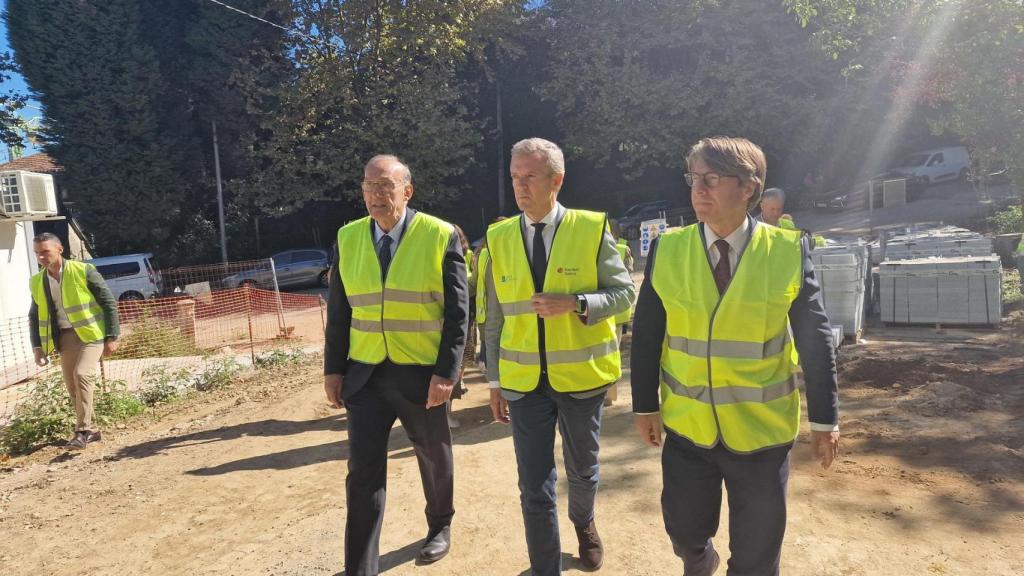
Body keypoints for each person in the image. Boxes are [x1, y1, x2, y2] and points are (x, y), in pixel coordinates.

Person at [631, 136, 840, 576]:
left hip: (761, 434)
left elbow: (814, 336)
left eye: (711, 179)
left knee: (757, 558)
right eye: (693, 179)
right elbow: (648, 333)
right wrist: (645, 405)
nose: (698, 189)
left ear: (749, 187)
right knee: (684, 532)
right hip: (689, 429)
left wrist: (825, 419)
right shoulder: (667, 250)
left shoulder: (786, 250)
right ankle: (698, 557)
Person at [484, 138, 635, 575]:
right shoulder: (498, 237)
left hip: (581, 378)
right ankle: (544, 565)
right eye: (515, 176)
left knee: (583, 471)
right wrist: (494, 381)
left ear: (557, 179)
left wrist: (576, 303)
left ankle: (584, 522)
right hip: (523, 382)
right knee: (533, 484)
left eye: (529, 176)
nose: (520, 186)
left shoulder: (590, 228)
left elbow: (625, 294)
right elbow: (494, 318)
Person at [323, 154, 469, 575]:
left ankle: (440, 524)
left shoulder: (439, 235)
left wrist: (448, 373)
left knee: (433, 455)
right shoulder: (348, 237)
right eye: (369, 187)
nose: (376, 195)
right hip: (365, 374)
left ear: (408, 190)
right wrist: (333, 369)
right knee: (363, 471)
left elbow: (459, 313)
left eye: (386, 186)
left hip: (421, 374)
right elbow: (339, 311)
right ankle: (360, 565)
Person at [28, 232, 120, 450]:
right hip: (65, 337)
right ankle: (94, 430)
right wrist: (37, 347)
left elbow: (108, 302)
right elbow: (34, 315)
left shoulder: (83, 270)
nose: (41, 257)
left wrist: (112, 336)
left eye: (45, 252)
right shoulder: (37, 281)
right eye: (37, 254)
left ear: (59, 249)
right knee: (73, 387)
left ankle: (82, 431)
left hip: (91, 334)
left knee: (82, 374)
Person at [605, 219, 635, 407]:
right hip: (618, 310)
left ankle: (607, 394)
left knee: (606, 353)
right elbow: (630, 272)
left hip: (602, 310)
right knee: (613, 352)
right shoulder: (624, 247)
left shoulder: (594, 248)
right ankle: (609, 394)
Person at [449, 224, 476, 428]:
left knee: (462, 359)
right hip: (448, 316)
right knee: (451, 363)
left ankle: (457, 385)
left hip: (467, 315)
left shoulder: (468, 256)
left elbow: (472, 283)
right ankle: (445, 412)